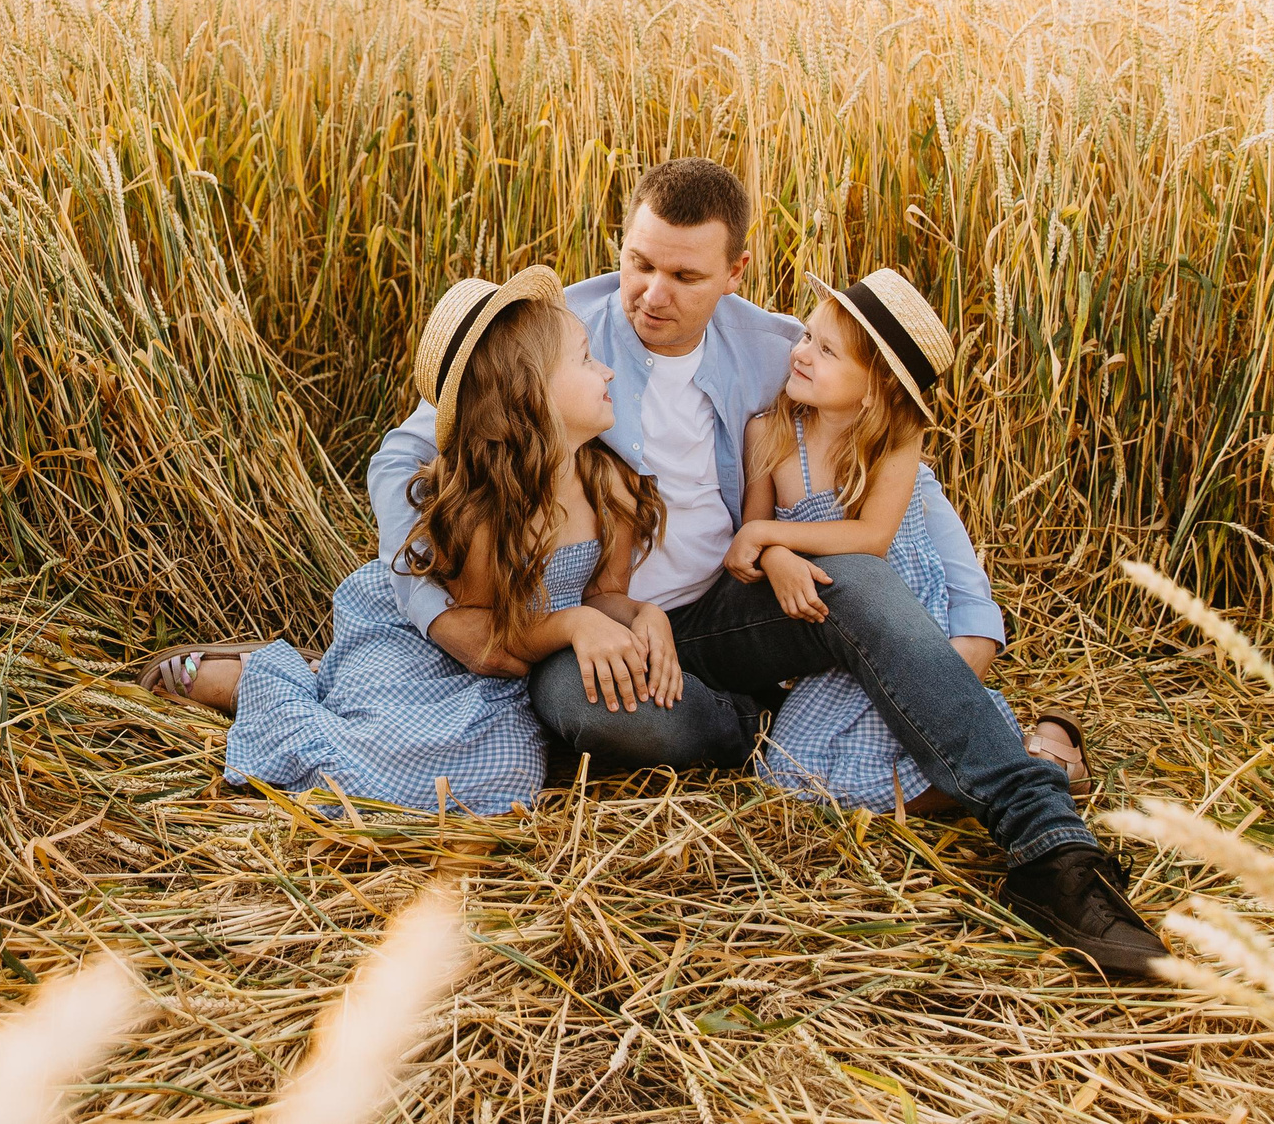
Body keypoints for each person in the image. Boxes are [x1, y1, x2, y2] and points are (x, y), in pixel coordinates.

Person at [369, 158, 1167, 979]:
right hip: (617, 631)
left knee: (849, 578)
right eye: (640, 262)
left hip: (732, 607)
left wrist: (975, 621)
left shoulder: (780, 347)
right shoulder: (554, 331)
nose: (652, 293)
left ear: (735, 271)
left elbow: (903, 475)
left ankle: (1050, 847)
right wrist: (436, 610)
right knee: (570, 695)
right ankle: (757, 737)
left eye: (685, 275)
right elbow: (405, 450)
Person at [154, 267, 680, 814]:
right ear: (530, 392)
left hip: (511, 674)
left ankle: (323, 680)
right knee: (371, 755)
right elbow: (483, 634)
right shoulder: (486, 507)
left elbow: (603, 597)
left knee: (507, 776)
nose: (609, 373)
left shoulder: (610, 489)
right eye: (586, 359)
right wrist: (572, 624)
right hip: (435, 647)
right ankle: (261, 684)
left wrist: (644, 616)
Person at [733, 270, 1087, 812]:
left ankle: (1034, 759)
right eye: (807, 336)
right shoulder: (771, 431)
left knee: (918, 745)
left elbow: (870, 539)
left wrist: (765, 534)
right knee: (791, 771)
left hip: (905, 622)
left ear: (877, 388)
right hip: (832, 636)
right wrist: (774, 551)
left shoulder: (894, 443)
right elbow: (755, 535)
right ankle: (1016, 763)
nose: (802, 354)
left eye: (827, 351)